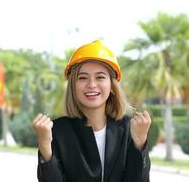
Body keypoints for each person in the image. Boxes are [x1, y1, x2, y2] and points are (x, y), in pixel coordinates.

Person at [32, 40, 151, 182]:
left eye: (100, 77)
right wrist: (45, 145)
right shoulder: (57, 131)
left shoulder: (129, 128)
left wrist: (140, 143)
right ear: (73, 86)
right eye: (82, 78)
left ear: (112, 86)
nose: (91, 85)